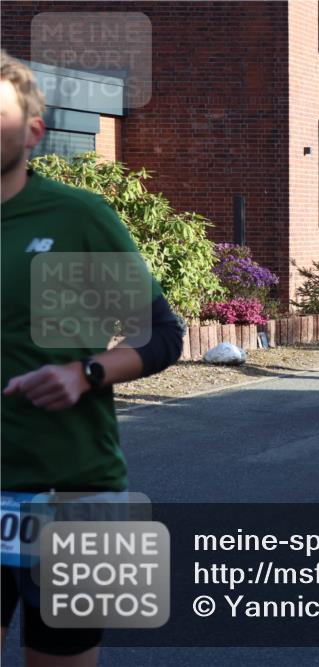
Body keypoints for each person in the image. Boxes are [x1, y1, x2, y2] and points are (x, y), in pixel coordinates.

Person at [1, 50, 184, 666]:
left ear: (33, 131)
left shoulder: (77, 218)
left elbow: (161, 335)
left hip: (77, 491)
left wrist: (84, 373)